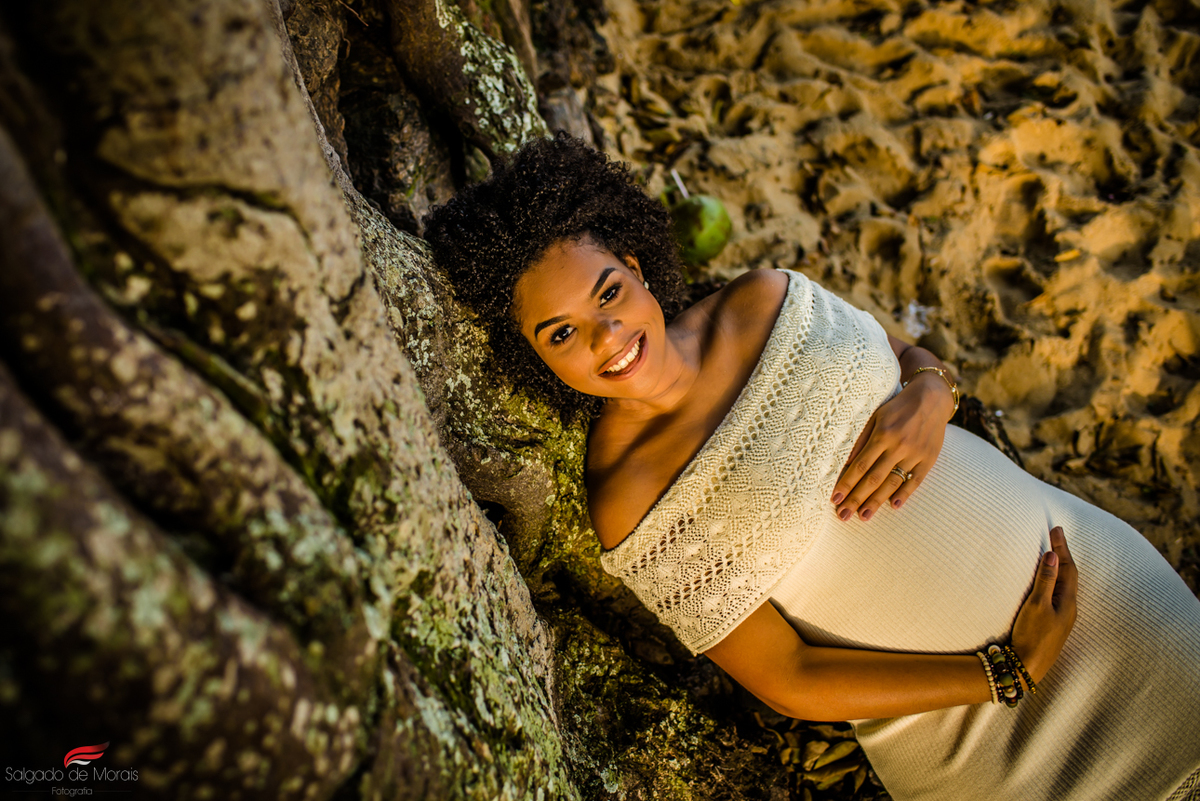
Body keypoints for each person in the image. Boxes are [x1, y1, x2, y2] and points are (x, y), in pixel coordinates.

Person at [424, 133, 1200, 801]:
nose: (606, 336)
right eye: (561, 334)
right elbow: (789, 673)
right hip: (981, 732)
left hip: (1104, 590)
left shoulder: (763, 300)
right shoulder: (629, 496)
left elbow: (908, 354)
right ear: (533, 357)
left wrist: (931, 393)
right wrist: (1006, 670)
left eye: (608, 293)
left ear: (634, 263)